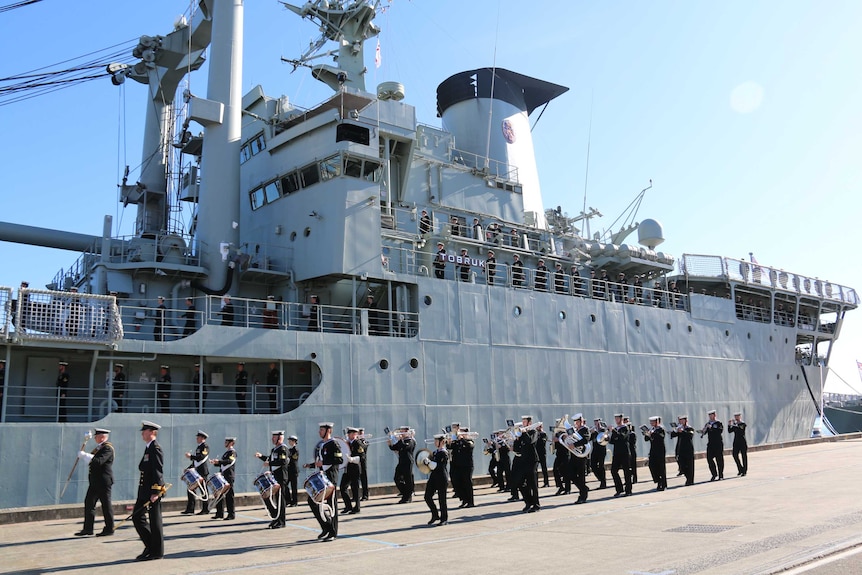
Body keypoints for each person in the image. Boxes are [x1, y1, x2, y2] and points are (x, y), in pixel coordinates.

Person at [304, 422, 342, 541]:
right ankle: (326, 526)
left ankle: (333, 532)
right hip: (322, 478)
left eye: (321, 430)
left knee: (332, 505)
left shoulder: (334, 443)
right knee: (312, 501)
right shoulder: (323, 445)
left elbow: (339, 459)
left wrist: (324, 462)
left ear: (328, 431)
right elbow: (321, 462)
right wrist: (310, 465)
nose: (319, 432)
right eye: (319, 430)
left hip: (331, 478)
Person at [133, 420, 165, 561]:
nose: (142, 433)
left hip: (152, 491)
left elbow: (157, 470)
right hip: (145, 490)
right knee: (137, 517)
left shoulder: (155, 448)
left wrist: (156, 492)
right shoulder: (149, 447)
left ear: (152, 432)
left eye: (144, 431)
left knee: (154, 521)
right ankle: (151, 546)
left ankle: (156, 551)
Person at [74, 428, 115, 537]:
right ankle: (88, 529)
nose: (95, 437)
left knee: (106, 505)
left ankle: (109, 528)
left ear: (102, 437)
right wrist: (84, 456)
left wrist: (84, 456)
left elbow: (98, 462)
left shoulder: (108, 448)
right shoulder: (99, 448)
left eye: (97, 436)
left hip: (103, 481)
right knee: (89, 503)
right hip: (95, 481)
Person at [256, 430, 288, 529]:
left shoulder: (283, 449)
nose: (272, 439)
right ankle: (276, 518)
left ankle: (281, 521)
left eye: (274, 437)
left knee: (280, 500)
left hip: (281, 477)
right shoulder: (274, 449)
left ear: (280, 438)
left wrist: (269, 464)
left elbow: (282, 461)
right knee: (274, 498)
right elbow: (270, 459)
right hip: (275, 476)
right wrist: (261, 457)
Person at [511, 415, 540, 512]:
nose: (522, 424)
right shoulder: (521, 434)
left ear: (529, 423)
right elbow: (517, 449)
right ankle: (528, 501)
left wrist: (524, 433)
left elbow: (530, 441)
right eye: (522, 422)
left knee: (533, 484)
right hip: (522, 460)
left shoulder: (533, 432)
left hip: (532, 460)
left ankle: (536, 505)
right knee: (519, 482)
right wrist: (516, 440)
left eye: (524, 422)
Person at [423, 434, 449, 526]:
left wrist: (429, 462)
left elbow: (438, 466)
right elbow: (431, 466)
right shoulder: (435, 453)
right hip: (433, 477)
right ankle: (435, 514)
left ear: (442, 442)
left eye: (436, 441)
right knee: (427, 496)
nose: (435, 442)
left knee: (442, 499)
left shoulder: (444, 453)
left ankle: (444, 519)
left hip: (442, 477)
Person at [182, 431, 210, 515]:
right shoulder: (198, 447)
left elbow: (201, 457)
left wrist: (190, 456)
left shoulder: (205, 447)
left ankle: (205, 509)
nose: (197, 438)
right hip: (196, 471)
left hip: (202, 472)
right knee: (191, 489)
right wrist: (188, 468)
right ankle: (190, 508)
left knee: (203, 490)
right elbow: (195, 462)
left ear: (202, 438)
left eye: (198, 437)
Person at [210, 436, 237, 520]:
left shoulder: (232, 452)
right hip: (223, 475)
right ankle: (219, 513)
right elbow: (223, 463)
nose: (225, 443)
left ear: (231, 443)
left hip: (229, 476)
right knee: (219, 494)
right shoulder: (226, 453)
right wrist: (215, 462)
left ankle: (231, 514)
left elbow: (229, 461)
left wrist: (219, 461)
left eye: (227, 442)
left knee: (229, 495)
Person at [388, 426, 415, 503]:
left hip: (408, 462)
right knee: (397, 478)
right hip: (401, 461)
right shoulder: (401, 441)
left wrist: (400, 440)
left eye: (403, 432)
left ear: (407, 432)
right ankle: (405, 493)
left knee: (408, 479)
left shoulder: (410, 441)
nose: (401, 433)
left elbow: (406, 447)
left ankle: (407, 497)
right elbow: (395, 447)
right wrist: (390, 444)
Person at [340, 427, 364, 514]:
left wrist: (352, 459)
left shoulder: (357, 443)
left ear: (355, 434)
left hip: (355, 468)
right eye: (348, 433)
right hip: (348, 469)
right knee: (343, 487)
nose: (349, 435)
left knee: (355, 489)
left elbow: (362, 457)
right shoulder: (347, 443)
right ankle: (348, 506)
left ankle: (357, 507)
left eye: (351, 433)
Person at [569, 414, 591, 503]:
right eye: (575, 422)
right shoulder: (574, 431)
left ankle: (583, 496)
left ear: (581, 421)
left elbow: (586, 440)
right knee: (570, 474)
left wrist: (574, 445)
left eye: (577, 422)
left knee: (581, 476)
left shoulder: (585, 429)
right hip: (574, 455)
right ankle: (584, 488)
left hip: (582, 455)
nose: (576, 424)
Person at [451, 427, 475, 508]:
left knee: (467, 483)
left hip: (467, 465)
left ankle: (470, 501)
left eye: (462, 432)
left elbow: (469, 446)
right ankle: (463, 499)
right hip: (458, 466)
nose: (459, 434)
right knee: (457, 482)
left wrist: (462, 439)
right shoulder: (458, 442)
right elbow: (450, 447)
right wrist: (449, 441)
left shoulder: (469, 441)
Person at [609, 413, 631, 497]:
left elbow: (622, 437)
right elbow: (612, 441)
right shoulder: (617, 429)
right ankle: (619, 488)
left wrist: (614, 431)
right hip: (617, 453)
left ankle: (628, 490)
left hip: (624, 452)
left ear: (621, 419)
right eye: (615, 418)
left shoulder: (625, 428)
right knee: (613, 471)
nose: (616, 420)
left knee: (626, 471)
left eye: (617, 418)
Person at [671, 415, 695, 486]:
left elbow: (690, 435)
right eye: (680, 420)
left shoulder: (689, 428)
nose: (681, 422)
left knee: (690, 465)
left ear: (686, 420)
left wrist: (683, 431)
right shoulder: (679, 428)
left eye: (682, 420)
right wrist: (675, 430)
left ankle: (690, 480)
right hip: (681, 449)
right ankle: (686, 476)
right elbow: (673, 435)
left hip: (688, 449)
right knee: (682, 464)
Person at [644, 416, 667, 491]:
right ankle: (657, 480)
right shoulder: (651, 429)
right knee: (652, 465)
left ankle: (663, 484)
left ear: (657, 422)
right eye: (651, 422)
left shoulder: (661, 429)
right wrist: (647, 434)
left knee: (661, 467)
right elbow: (646, 439)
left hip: (660, 450)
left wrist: (653, 434)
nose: (651, 423)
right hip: (653, 450)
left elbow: (661, 436)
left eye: (653, 422)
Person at [703, 409, 725, 481]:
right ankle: (714, 474)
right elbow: (704, 432)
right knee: (709, 459)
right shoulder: (708, 423)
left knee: (719, 459)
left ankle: (721, 474)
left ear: (715, 415)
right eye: (709, 415)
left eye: (711, 415)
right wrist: (704, 430)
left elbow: (720, 430)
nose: (710, 416)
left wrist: (712, 427)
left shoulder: (718, 423)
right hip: (710, 444)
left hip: (718, 443)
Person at [590, 418, 608, 489]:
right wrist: (590, 433)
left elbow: (602, 437)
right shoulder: (593, 431)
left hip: (601, 450)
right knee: (593, 465)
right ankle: (601, 479)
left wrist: (596, 432)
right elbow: (590, 439)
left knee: (601, 466)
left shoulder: (603, 430)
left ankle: (603, 482)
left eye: (597, 422)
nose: (596, 423)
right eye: (595, 422)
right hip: (595, 450)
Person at [729, 412, 748, 476]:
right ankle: (740, 469)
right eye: (735, 416)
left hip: (742, 442)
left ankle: (744, 471)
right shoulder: (735, 425)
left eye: (737, 416)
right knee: (735, 455)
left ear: (740, 416)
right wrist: (729, 425)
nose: (736, 417)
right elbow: (730, 431)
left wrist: (735, 424)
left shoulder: (743, 424)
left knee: (744, 456)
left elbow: (741, 430)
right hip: (736, 442)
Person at [624, 415, 638, 484]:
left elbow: (633, 442)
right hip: (627, 450)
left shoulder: (632, 434)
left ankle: (635, 478)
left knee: (633, 465)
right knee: (628, 466)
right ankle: (629, 478)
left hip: (632, 450)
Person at [287, 435, 300, 507]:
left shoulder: (296, 450)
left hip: (294, 470)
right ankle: (288, 500)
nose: (289, 442)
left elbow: (293, 459)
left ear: (294, 441)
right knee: (285, 485)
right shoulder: (289, 450)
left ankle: (295, 502)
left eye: (291, 440)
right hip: (289, 470)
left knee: (294, 487)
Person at [535, 423, 549, 488]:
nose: (538, 428)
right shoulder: (535, 434)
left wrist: (538, 436)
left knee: (544, 468)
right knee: (535, 469)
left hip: (542, 453)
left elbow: (543, 442)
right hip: (536, 453)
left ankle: (546, 482)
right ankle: (536, 483)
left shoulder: (543, 434)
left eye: (539, 427)